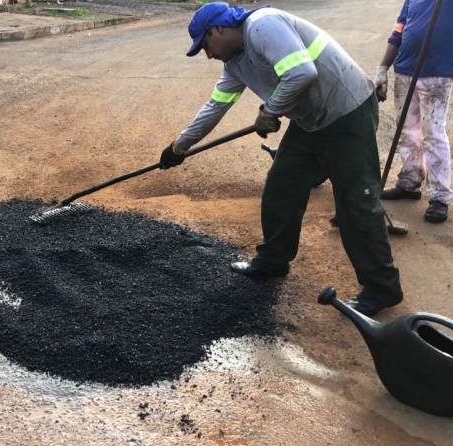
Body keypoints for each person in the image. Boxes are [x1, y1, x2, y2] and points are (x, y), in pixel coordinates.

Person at [159, 3, 403, 316]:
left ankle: (382, 288)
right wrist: (180, 147)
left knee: (356, 203)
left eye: (205, 45)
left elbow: (302, 72)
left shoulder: (263, 24)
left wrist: (270, 111)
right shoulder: (235, 64)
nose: (207, 54)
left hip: (347, 111)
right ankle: (273, 261)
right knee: (281, 188)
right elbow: (215, 106)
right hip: (309, 122)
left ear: (217, 29)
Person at [374, 0, 453, 223]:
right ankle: (409, 182)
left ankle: (439, 197)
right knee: (407, 132)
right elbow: (398, 30)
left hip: (436, 73)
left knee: (433, 134)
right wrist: (383, 68)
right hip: (404, 69)